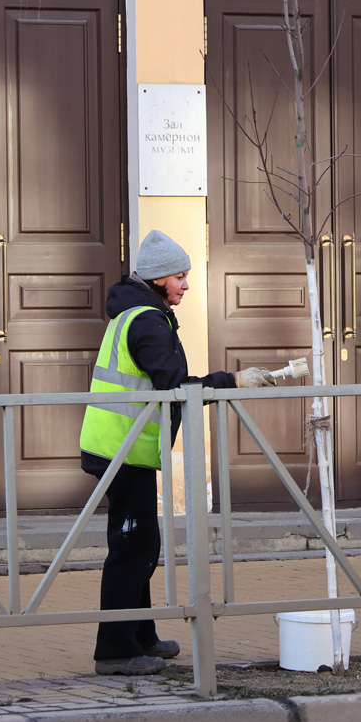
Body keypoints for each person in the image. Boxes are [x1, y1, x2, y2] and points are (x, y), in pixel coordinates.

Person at [79, 230, 277, 676]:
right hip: (121, 449)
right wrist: (234, 382)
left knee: (142, 541)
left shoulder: (137, 313)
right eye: (179, 277)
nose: (185, 285)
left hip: (123, 446)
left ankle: (141, 637)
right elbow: (178, 388)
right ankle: (113, 651)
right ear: (156, 279)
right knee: (133, 547)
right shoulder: (147, 320)